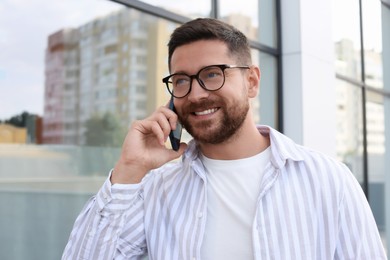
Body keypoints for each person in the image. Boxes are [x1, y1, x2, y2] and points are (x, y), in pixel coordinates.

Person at [62, 18, 386, 260]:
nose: (197, 93)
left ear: (252, 81)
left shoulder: (328, 179)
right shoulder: (156, 187)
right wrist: (129, 168)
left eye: (213, 74)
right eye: (181, 81)